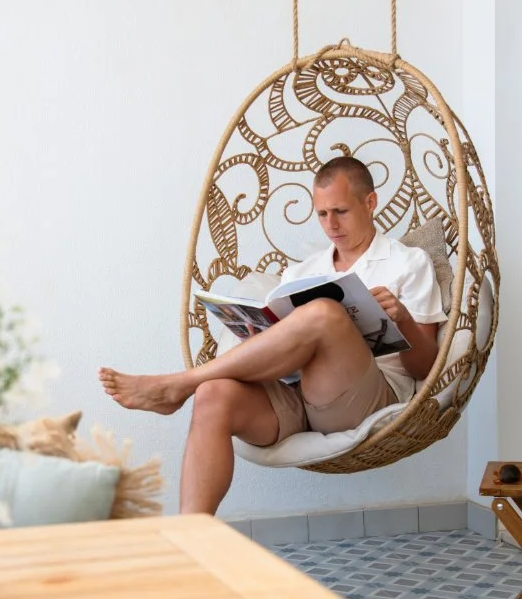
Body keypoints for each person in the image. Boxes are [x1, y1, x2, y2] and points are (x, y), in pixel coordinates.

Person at [99, 156, 446, 515]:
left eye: (341, 211)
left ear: (370, 203)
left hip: (366, 397)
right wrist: (259, 337)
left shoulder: (408, 262)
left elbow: (425, 368)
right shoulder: (302, 272)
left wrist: (402, 318)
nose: (331, 225)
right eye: (322, 214)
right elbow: (288, 353)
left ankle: (179, 385)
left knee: (325, 312)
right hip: (299, 394)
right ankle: (192, 537)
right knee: (213, 395)